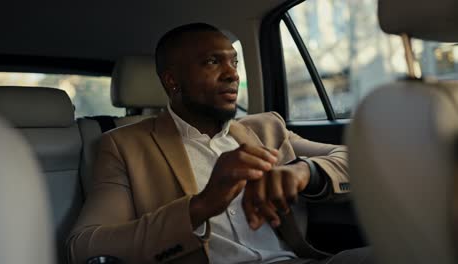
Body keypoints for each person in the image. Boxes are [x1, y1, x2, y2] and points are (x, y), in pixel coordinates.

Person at [67, 23, 370, 264]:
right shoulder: (124, 146)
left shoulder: (266, 130)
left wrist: (304, 172)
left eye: (234, 61)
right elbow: (85, 245)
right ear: (173, 81)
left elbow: (356, 160)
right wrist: (200, 206)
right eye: (213, 62)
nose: (232, 74)